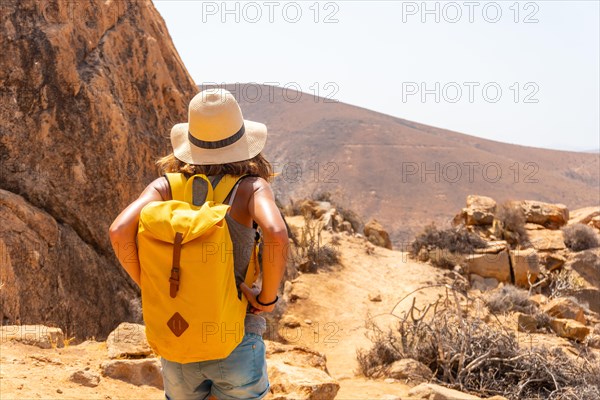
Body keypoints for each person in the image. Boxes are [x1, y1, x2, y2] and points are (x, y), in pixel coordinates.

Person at [108, 88, 288, 400]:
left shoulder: (164, 186)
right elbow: (276, 232)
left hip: (178, 341)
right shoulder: (250, 189)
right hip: (235, 338)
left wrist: (153, 285)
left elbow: (119, 230)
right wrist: (267, 299)